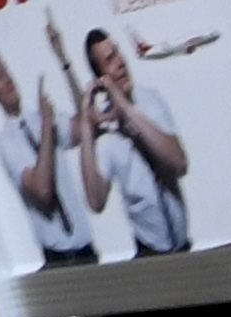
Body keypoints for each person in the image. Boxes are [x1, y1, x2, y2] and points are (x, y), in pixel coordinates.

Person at [0, 45, 99, 266]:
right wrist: (47, 126)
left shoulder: (40, 118)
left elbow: (87, 125)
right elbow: (42, 191)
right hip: (60, 260)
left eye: (6, 71)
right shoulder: (8, 143)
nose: (8, 79)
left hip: (87, 252)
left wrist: (64, 61)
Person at [82, 27, 192, 254]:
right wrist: (85, 126)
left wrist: (126, 108)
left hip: (183, 245)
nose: (120, 63)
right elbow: (96, 201)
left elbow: (179, 164)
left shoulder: (150, 100)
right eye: (110, 60)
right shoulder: (108, 134)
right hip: (149, 250)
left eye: (118, 53)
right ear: (101, 78)